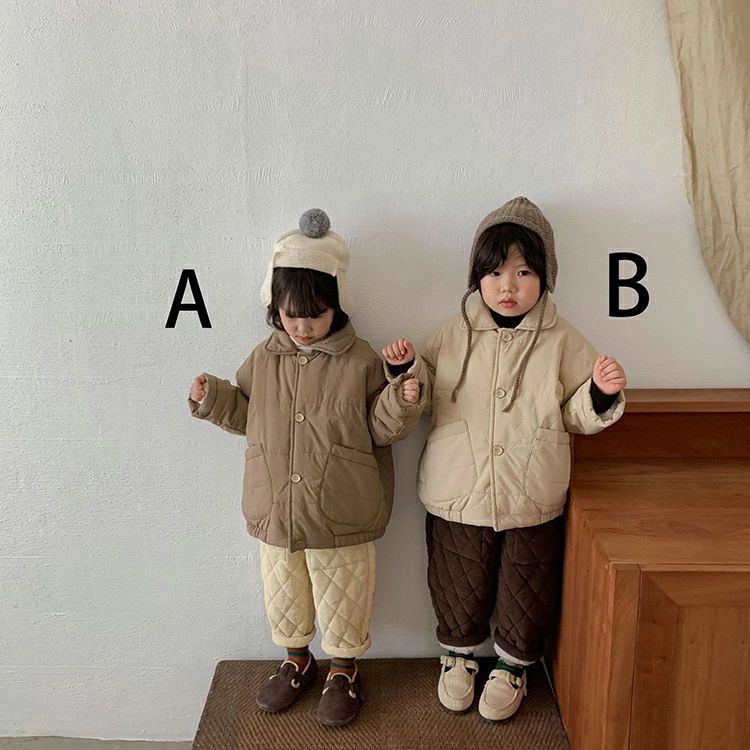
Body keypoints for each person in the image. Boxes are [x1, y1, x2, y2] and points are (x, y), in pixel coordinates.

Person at [382, 196, 626, 722]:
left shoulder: (564, 340)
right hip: (457, 486)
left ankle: (514, 665)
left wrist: (600, 394)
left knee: (527, 582)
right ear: (476, 277)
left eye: (523, 272)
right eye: (494, 273)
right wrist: (405, 373)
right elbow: (424, 394)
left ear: (545, 276)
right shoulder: (451, 333)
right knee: (457, 576)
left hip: (532, 490)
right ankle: (458, 655)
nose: (507, 286)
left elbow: (576, 412)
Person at [189, 209, 422, 726]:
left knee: (344, 594)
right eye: (291, 315)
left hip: (342, 508)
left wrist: (401, 397)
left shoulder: (361, 360)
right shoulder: (262, 358)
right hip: (276, 508)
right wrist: (213, 398)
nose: (303, 326)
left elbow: (379, 427)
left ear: (337, 306)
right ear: (274, 308)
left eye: (315, 315)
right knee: (284, 591)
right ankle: (296, 661)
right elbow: (248, 414)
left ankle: (343, 670)